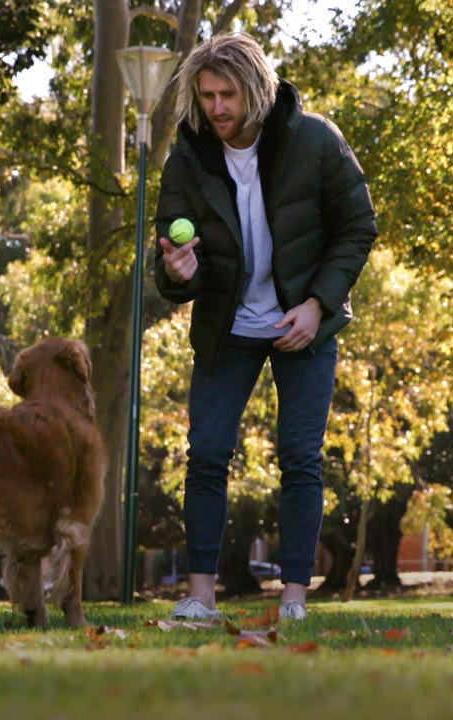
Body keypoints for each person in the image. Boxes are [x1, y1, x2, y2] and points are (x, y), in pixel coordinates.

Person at [153, 33, 377, 621]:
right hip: (227, 326)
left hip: (303, 323)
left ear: (256, 89)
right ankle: (200, 598)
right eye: (207, 96)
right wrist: (178, 269)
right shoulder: (188, 155)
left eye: (227, 94)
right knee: (205, 455)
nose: (217, 108)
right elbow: (170, 266)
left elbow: (357, 228)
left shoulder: (316, 141)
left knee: (300, 459)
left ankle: (294, 601)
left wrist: (318, 307)